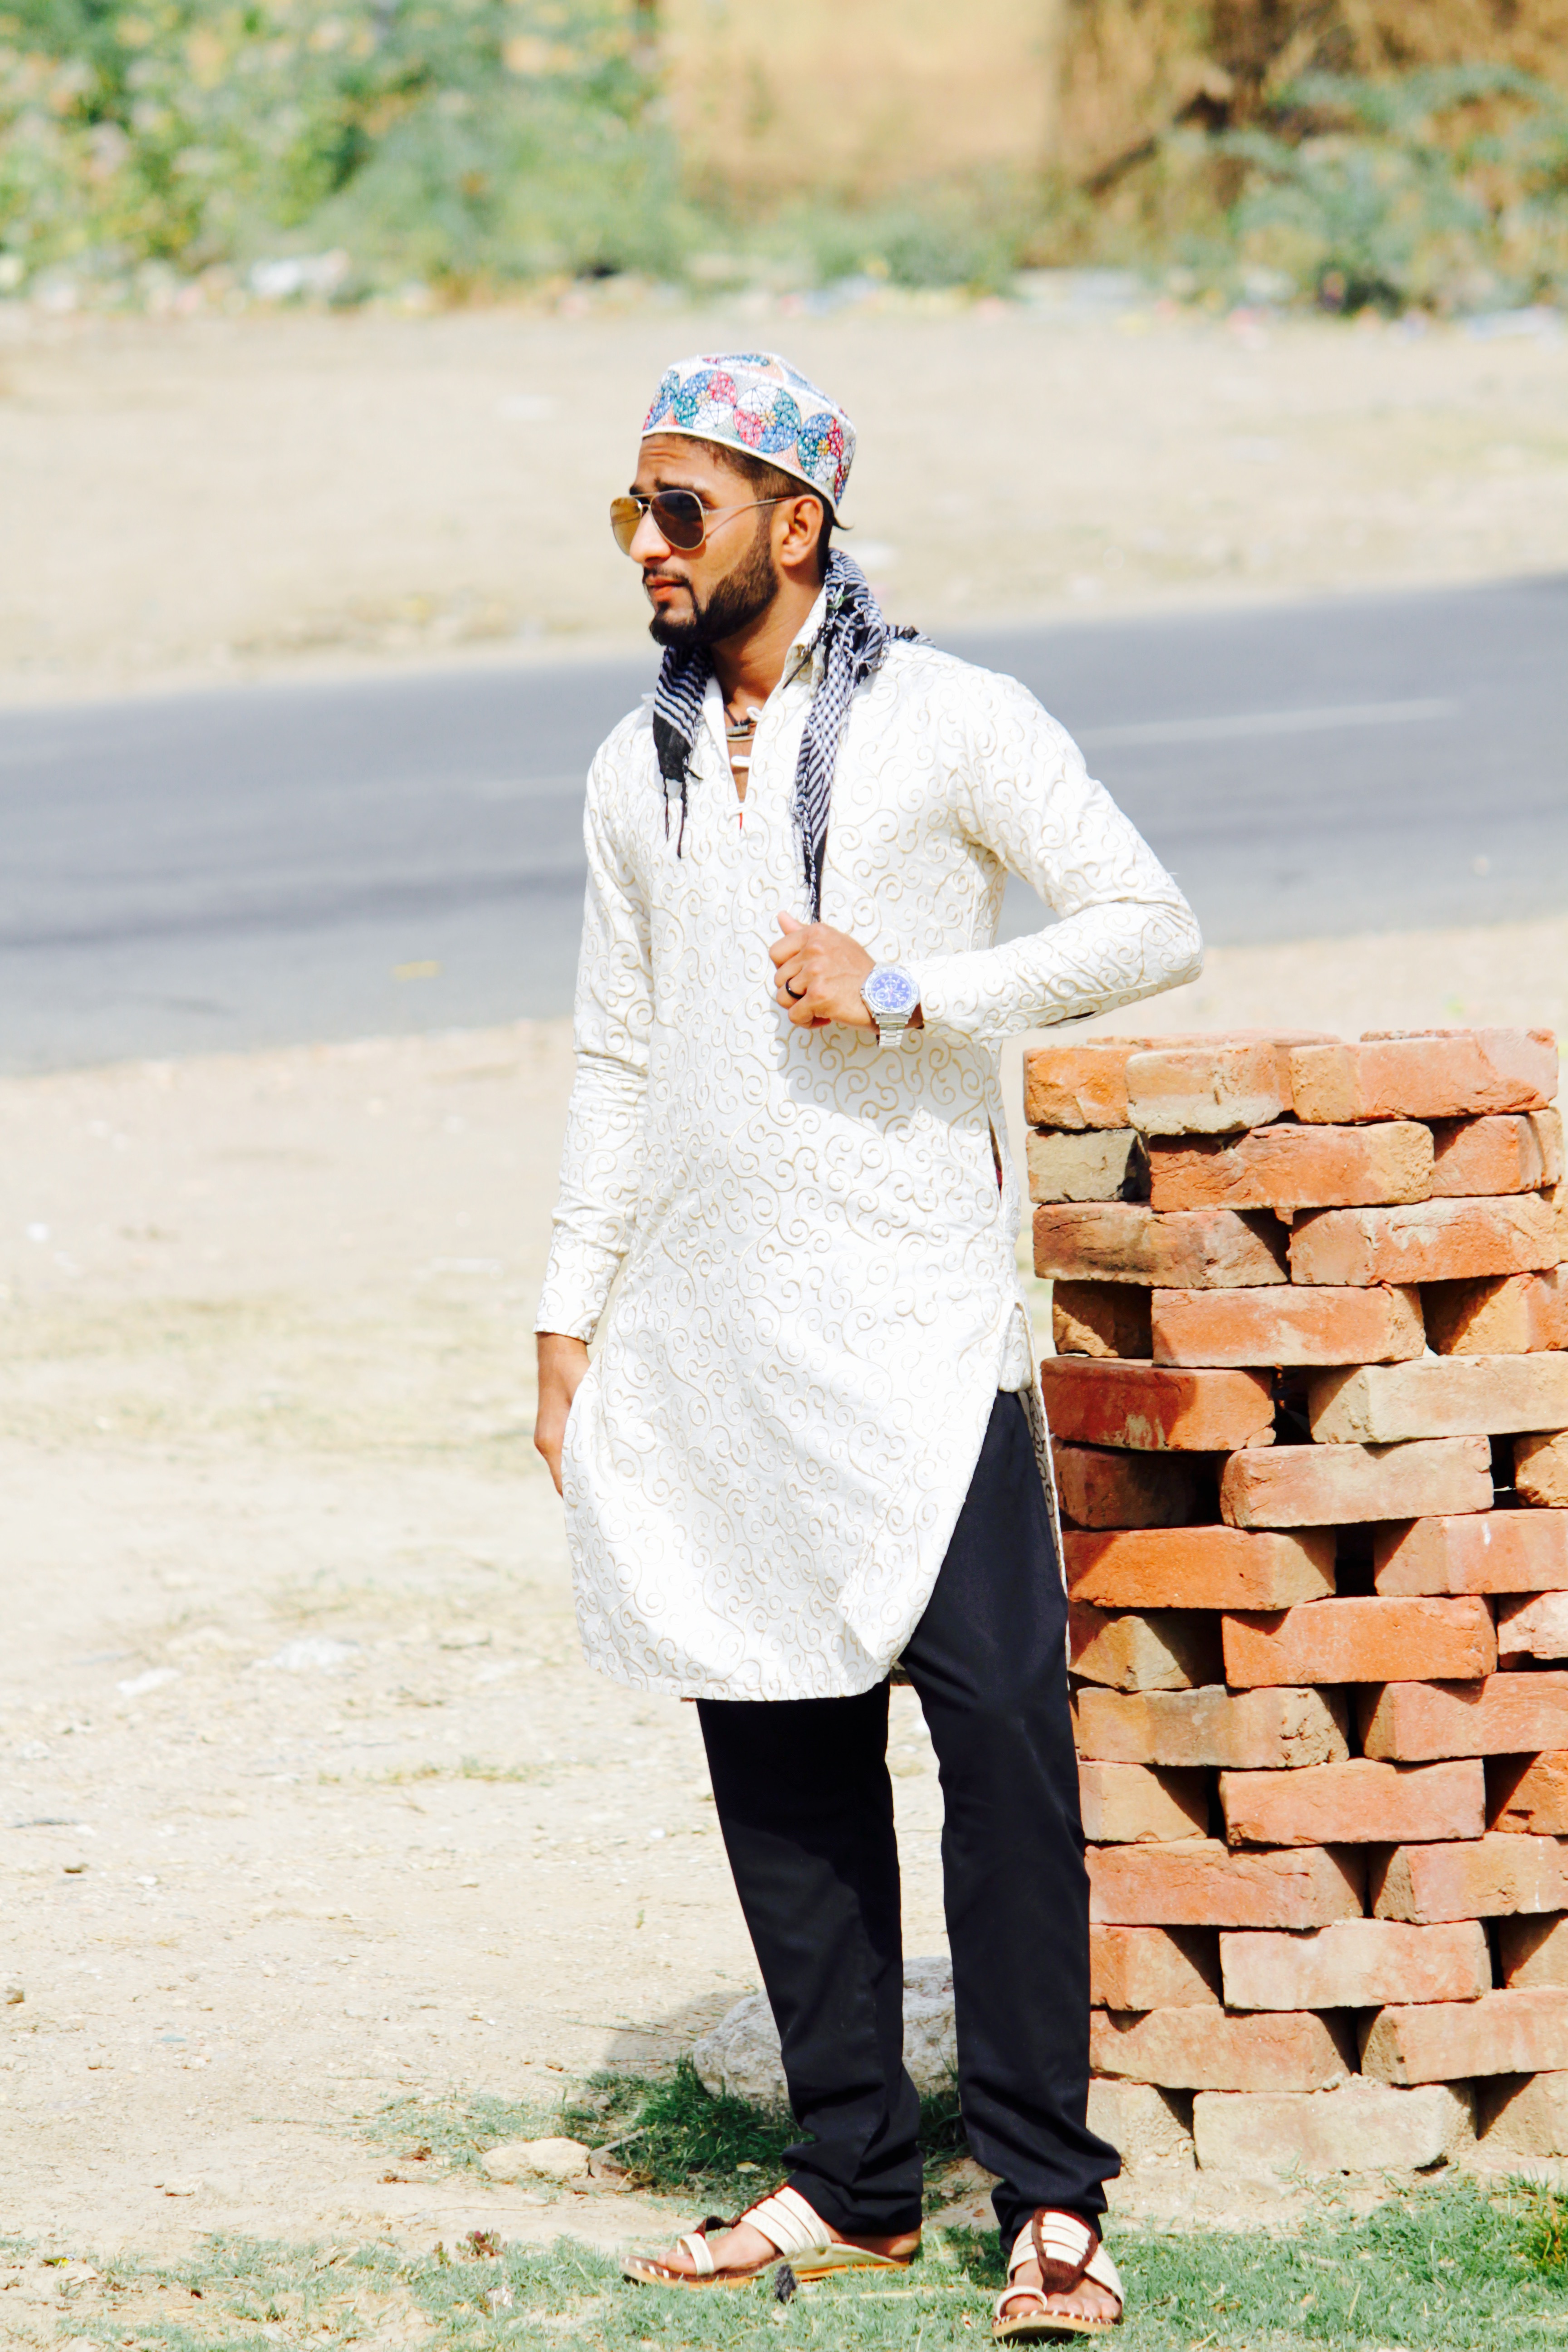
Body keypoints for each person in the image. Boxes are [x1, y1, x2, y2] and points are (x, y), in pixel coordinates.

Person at [534, 352, 1202, 2341]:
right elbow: (618, 1053)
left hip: (919, 1319)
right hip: (708, 1328)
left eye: (681, 510)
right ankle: (851, 2178)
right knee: (774, 1736)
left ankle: (1051, 2199)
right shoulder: (634, 765)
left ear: (796, 522)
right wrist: (570, 1309)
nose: (648, 548)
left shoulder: (952, 716)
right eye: (633, 512)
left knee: (1000, 1742)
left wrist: (909, 985)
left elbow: (1146, 919)